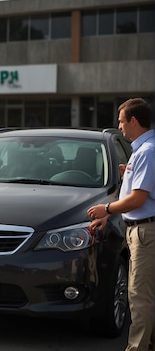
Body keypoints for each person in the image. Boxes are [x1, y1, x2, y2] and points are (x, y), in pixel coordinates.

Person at [87, 98, 155, 351]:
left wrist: (105, 208)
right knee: (146, 296)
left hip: (146, 232)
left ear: (133, 121)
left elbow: (138, 199)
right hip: (142, 229)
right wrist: (109, 215)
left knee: (139, 298)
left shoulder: (147, 151)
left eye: (121, 121)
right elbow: (133, 193)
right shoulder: (143, 150)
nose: (120, 126)